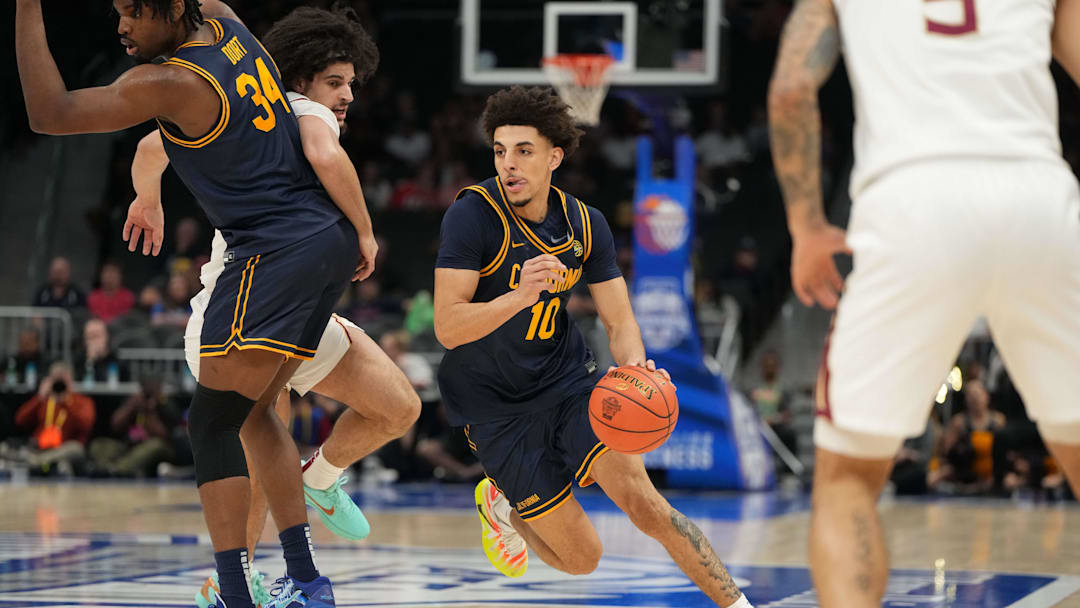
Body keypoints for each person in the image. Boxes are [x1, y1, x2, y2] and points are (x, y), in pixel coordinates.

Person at [16, 0, 379, 605]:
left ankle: (234, 590)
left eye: (134, 12)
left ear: (172, 9)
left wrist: (28, 7)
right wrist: (148, 196)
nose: (121, 26)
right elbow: (153, 148)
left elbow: (49, 112)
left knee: (211, 424)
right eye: (117, 10)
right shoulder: (222, 18)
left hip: (272, 251)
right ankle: (306, 581)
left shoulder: (170, 82)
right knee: (256, 414)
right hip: (325, 239)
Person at [768, 0, 1080, 605]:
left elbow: (790, 90)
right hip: (1038, 198)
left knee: (848, 480)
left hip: (912, 200)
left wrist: (806, 227)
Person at [125, 5, 419, 606]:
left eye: (351, 84)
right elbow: (156, 143)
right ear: (302, 78)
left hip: (296, 305)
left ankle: (322, 479)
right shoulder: (298, 113)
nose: (348, 96)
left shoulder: (257, 114)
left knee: (398, 408)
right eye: (336, 82)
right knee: (262, 440)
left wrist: (148, 197)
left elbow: (153, 148)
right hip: (236, 308)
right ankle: (239, 580)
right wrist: (366, 234)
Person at [434, 86, 752, 608]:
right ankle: (504, 507)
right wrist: (519, 296)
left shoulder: (585, 223)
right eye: (500, 150)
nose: (508, 164)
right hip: (495, 409)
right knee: (582, 558)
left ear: (554, 157)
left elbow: (619, 319)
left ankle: (739, 605)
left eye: (524, 151)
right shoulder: (472, 215)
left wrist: (636, 369)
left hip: (567, 386)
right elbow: (447, 327)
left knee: (648, 506)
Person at [14, 362, 95, 476]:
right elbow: (20, 420)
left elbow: (86, 425)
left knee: (75, 449)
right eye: (56, 380)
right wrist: (40, 397)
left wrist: (67, 402)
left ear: (71, 381)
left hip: (64, 448)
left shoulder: (82, 401)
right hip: (41, 447)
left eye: (63, 380)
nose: (59, 385)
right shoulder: (44, 400)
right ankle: (43, 462)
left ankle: (36, 462)